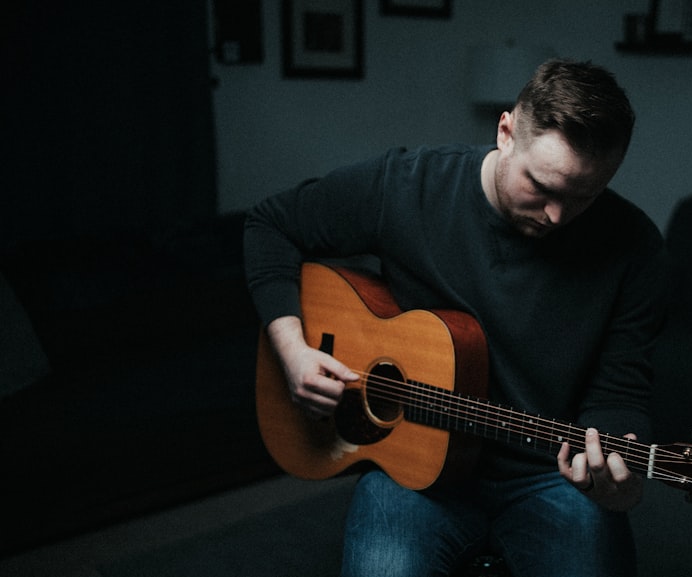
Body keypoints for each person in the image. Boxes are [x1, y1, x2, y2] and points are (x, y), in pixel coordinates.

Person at [244, 58, 668, 577]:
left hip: (547, 474)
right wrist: (293, 351)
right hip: (412, 472)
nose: (557, 216)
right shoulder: (407, 185)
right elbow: (270, 225)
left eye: (584, 196)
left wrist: (616, 478)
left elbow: (620, 390)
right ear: (506, 132)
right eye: (542, 186)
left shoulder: (637, 247)